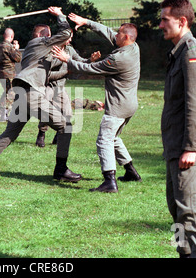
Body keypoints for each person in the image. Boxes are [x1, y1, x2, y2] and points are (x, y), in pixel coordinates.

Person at [0, 7, 81, 183]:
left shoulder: (38, 50)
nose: (51, 38)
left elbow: (55, 65)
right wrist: (59, 15)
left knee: (10, 133)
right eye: (49, 35)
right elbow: (65, 32)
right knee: (65, 126)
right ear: (41, 36)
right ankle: (61, 170)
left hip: (23, 92)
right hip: (31, 94)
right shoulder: (39, 43)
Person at [52, 14, 142, 193]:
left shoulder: (118, 59)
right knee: (114, 138)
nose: (114, 35)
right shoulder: (134, 47)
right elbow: (108, 32)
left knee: (104, 140)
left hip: (118, 107)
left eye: (118, 34)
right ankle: (131, 171)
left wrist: (67, 60)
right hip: (130, 105)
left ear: (125, 37)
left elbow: (91, 68)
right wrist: (87, 22)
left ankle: (109, 181)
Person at [159, 0, 196, 258]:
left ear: (182, 21)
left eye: (164, 20)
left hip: (186, 149)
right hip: (175, 146)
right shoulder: (179, 51)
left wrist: (191, 148)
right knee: (178, 209)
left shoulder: (192, 52)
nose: (160, 25)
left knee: (190, 210)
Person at [36, 36, 101, 147]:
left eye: (71, 37)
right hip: (48, 85)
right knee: (46, 112)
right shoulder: (50, 49)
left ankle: (58, 135)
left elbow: (80, 61)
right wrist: (66, 70)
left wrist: (90, 60)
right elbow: (46, 72)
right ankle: (41, 134)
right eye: (68, 38)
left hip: (60, 86)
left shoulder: (69, 49)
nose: (70, 40)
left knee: (67, 113)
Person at [0, 28, 22, 121]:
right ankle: (4, 114)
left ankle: (1, 113)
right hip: (8, 74)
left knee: (6, 93)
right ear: (12, 36)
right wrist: (16, 49)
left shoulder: (0, 46)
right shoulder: (8, 47)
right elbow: (18, 58)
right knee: (11, 94)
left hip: (1, 73)